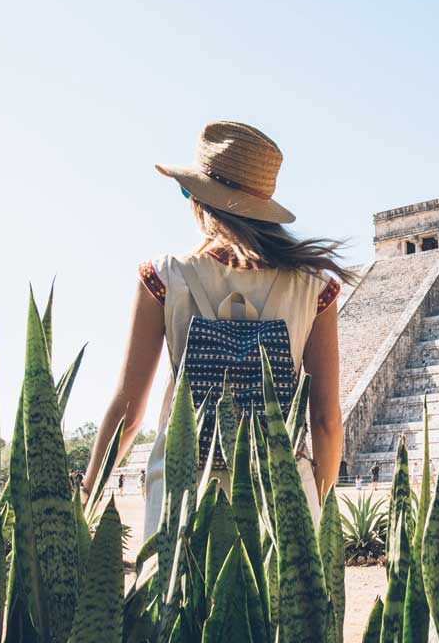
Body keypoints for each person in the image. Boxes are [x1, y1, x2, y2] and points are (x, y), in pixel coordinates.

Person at [80, 121, 353, 538]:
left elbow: (128, 413)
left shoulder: (163, 276)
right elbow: (326, 421)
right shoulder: (315, 287)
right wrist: (317, 503)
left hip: (182, 494)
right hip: (280, 498)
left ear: (200, 198)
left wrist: (88, 493)